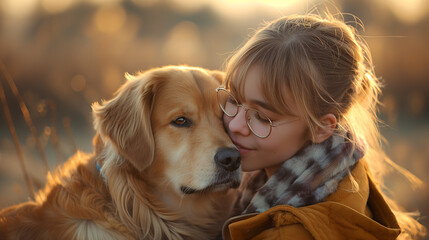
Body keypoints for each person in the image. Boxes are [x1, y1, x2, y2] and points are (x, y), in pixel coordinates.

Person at [217, 13, 426, 240]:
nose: (236, 125)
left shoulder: (289, 234)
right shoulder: (341, 171)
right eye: (234, 101)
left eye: (263, 118)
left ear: (321, 128)